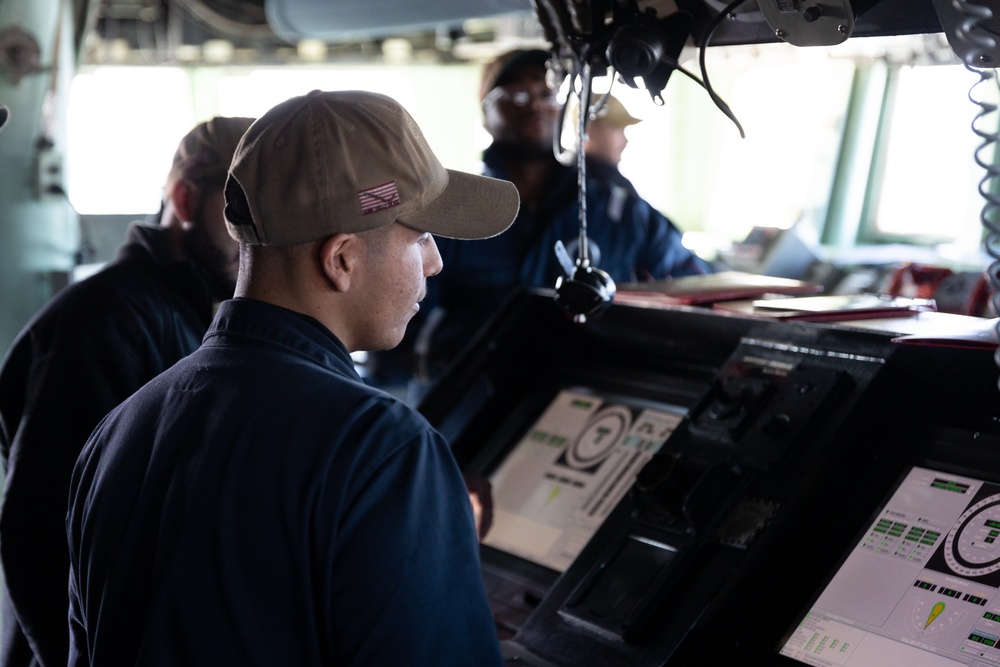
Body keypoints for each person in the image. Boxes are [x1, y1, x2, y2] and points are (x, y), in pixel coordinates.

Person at [66, 90, 519, 666]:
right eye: (421, 235)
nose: (436, 262)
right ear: (342, 259)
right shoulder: (382, 449)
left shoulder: (121, 429)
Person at [0, 115, 254, 667]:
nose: (256, 239)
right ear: (185, 200)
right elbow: (40, 535)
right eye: (240, 214)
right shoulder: (104, 322)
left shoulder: (179, 316)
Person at [388, 48, 712, 394]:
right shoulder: (449, 212)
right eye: (517, 93)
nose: (535, 104)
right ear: (485, 112)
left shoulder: (620, 213)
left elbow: (695, 286)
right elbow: (400, 320)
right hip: (464, 400)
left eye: (548, 93)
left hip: (583, 398)